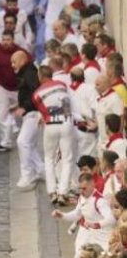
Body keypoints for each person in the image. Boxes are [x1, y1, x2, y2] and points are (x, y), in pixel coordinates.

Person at [33, 65, 76, 205]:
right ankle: (63, 192)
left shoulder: (37, 94)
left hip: (51, 124)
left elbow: (43, 111)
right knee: (67, 158)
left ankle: (52, 192)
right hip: (67, 122)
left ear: (40, 77)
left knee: (49, 158)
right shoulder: (62, 85)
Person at [11, 50, 45, 191]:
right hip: (32, 113)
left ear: (22, 61)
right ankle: (41, 170)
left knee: (23, 142)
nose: (12, 65)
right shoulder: (28, 72)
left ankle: (27, 174)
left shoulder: (29, 73)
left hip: (33, 114)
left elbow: (36, 92)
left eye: (14, 62)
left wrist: (24, 107)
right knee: (29, 144)